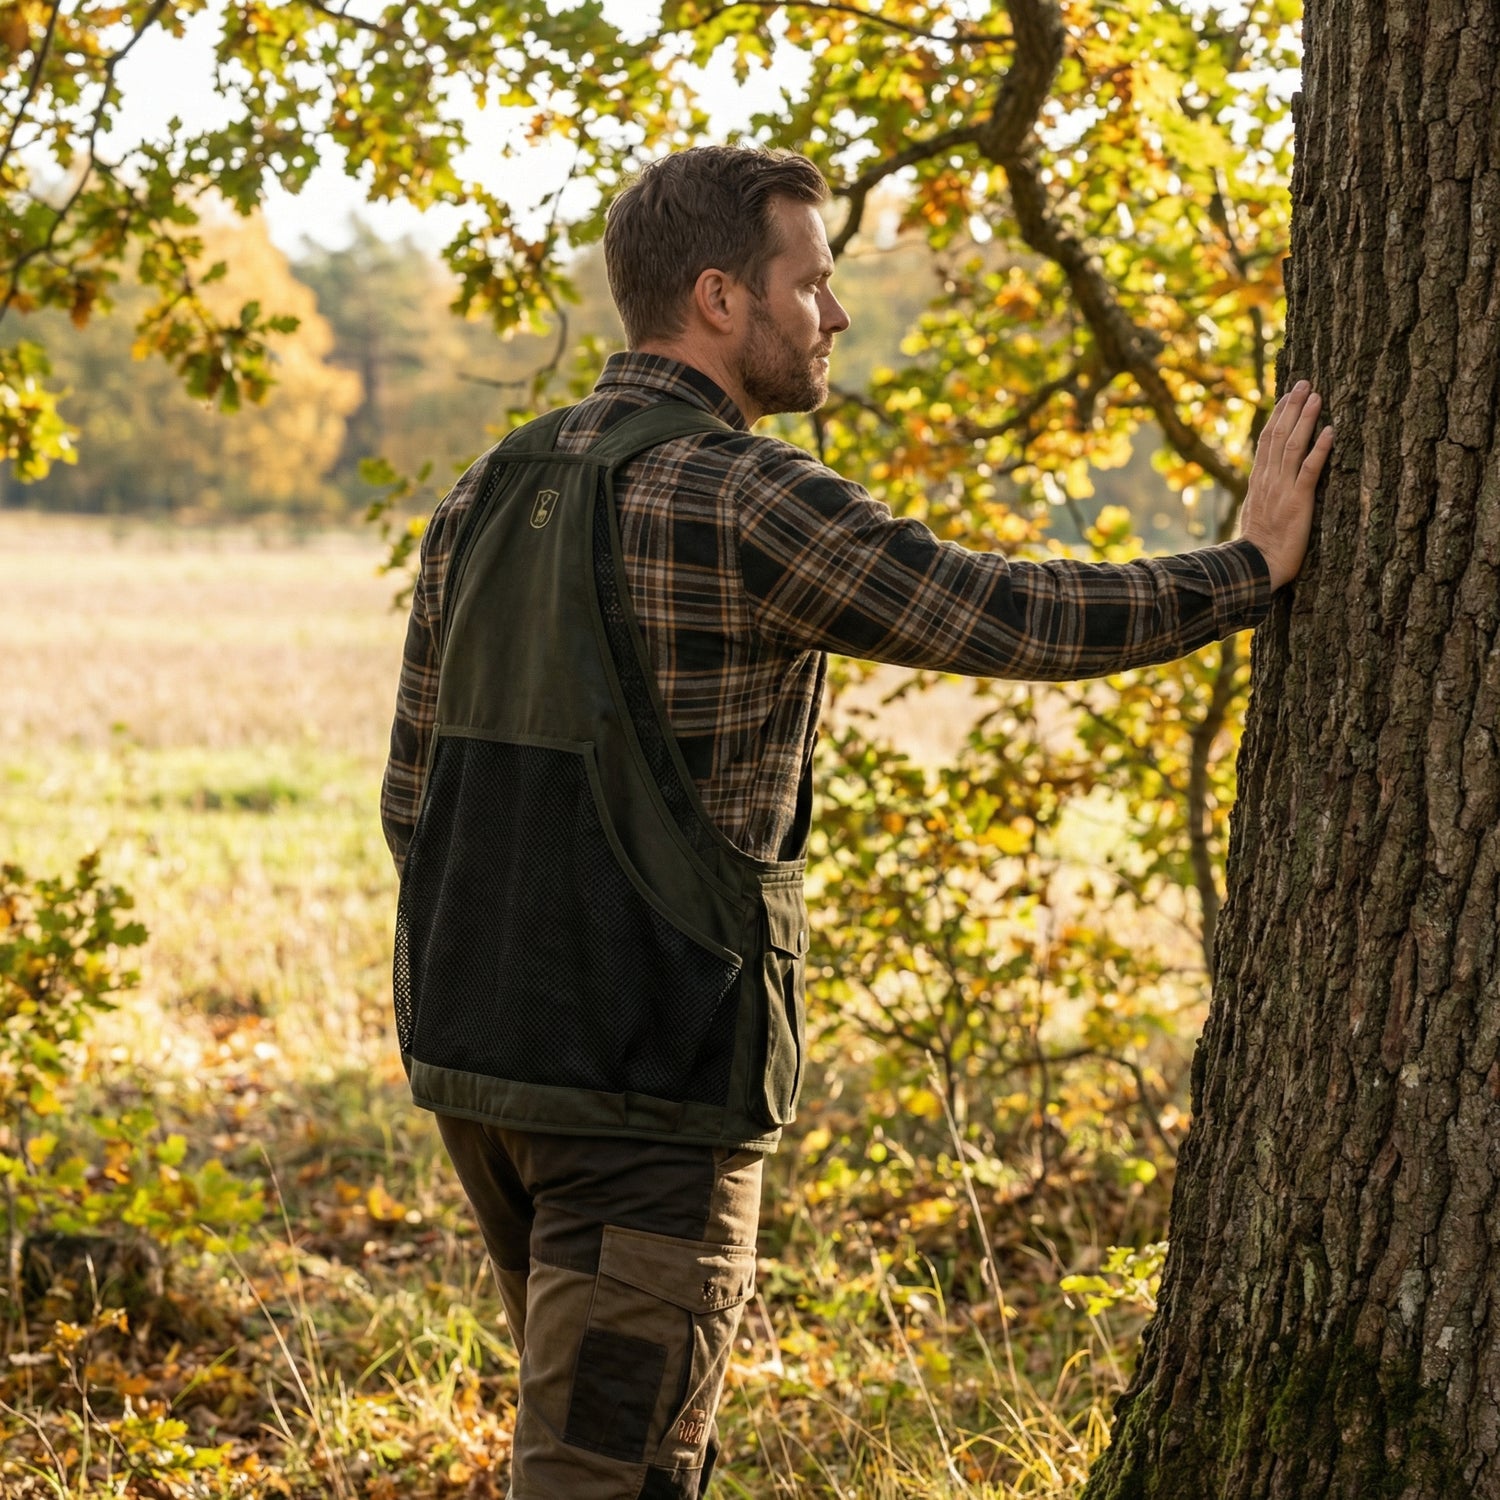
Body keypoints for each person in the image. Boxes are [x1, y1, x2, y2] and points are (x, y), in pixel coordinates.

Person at [380, 145, 1332, 1500]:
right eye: (811, 283)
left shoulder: (484, 493)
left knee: (592, 1445)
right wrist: (1244, 569)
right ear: (719, 298)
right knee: (610, 1475)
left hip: (483, 1066)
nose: (833, 316)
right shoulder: (746, 496)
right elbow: (1009, 614)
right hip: (645, 1081)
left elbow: (412, 799)